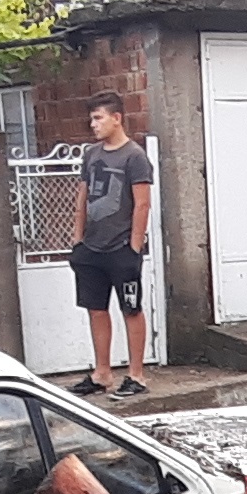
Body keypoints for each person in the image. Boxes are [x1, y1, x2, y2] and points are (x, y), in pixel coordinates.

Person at [69, 91, 154, 398]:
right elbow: (82, 197)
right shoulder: (91, 155)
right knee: (96, 309)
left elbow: (142, 204)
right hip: (91, 248)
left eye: (98, 118)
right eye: (91, 118)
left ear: (116, 118)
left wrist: (133, 247)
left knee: (131, 309)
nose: (93, 124)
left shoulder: (135, 156)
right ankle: (102, 373)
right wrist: (78, 240)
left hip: (121, 249)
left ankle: (136, 375)